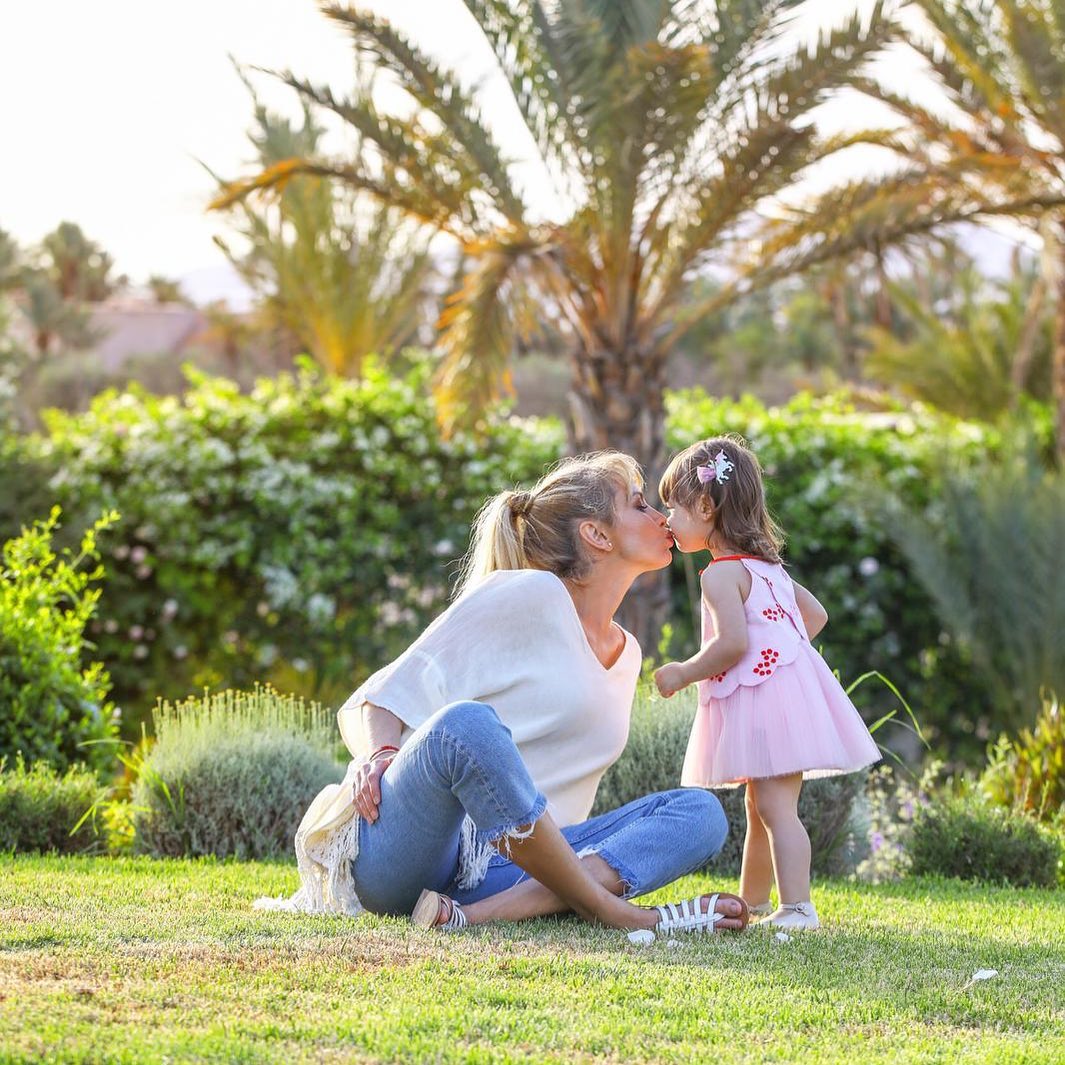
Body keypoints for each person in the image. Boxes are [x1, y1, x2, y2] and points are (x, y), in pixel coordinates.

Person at [257, 452, 748, 938]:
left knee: (698, 814)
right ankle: (613, 911)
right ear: (596, 535)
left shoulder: (629, 654)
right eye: (639, 505)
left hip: (508, 874)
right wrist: (380, 753)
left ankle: (484, 914)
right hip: (406, 852)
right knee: (466, 725)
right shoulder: (529, 594)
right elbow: (385, 693)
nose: (661, 516)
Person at [653, 435, 880, 930]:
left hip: (763, 699)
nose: (668, 519)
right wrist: (783, 650)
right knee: (761, 807)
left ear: (706, 507)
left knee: (776, 809)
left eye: (674, 507)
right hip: (786, 695)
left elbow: (732, 644)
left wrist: (683, 672)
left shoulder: (720, 576)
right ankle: (752, 901)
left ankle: (798, 907)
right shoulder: (768, 567)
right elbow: (814, 616)